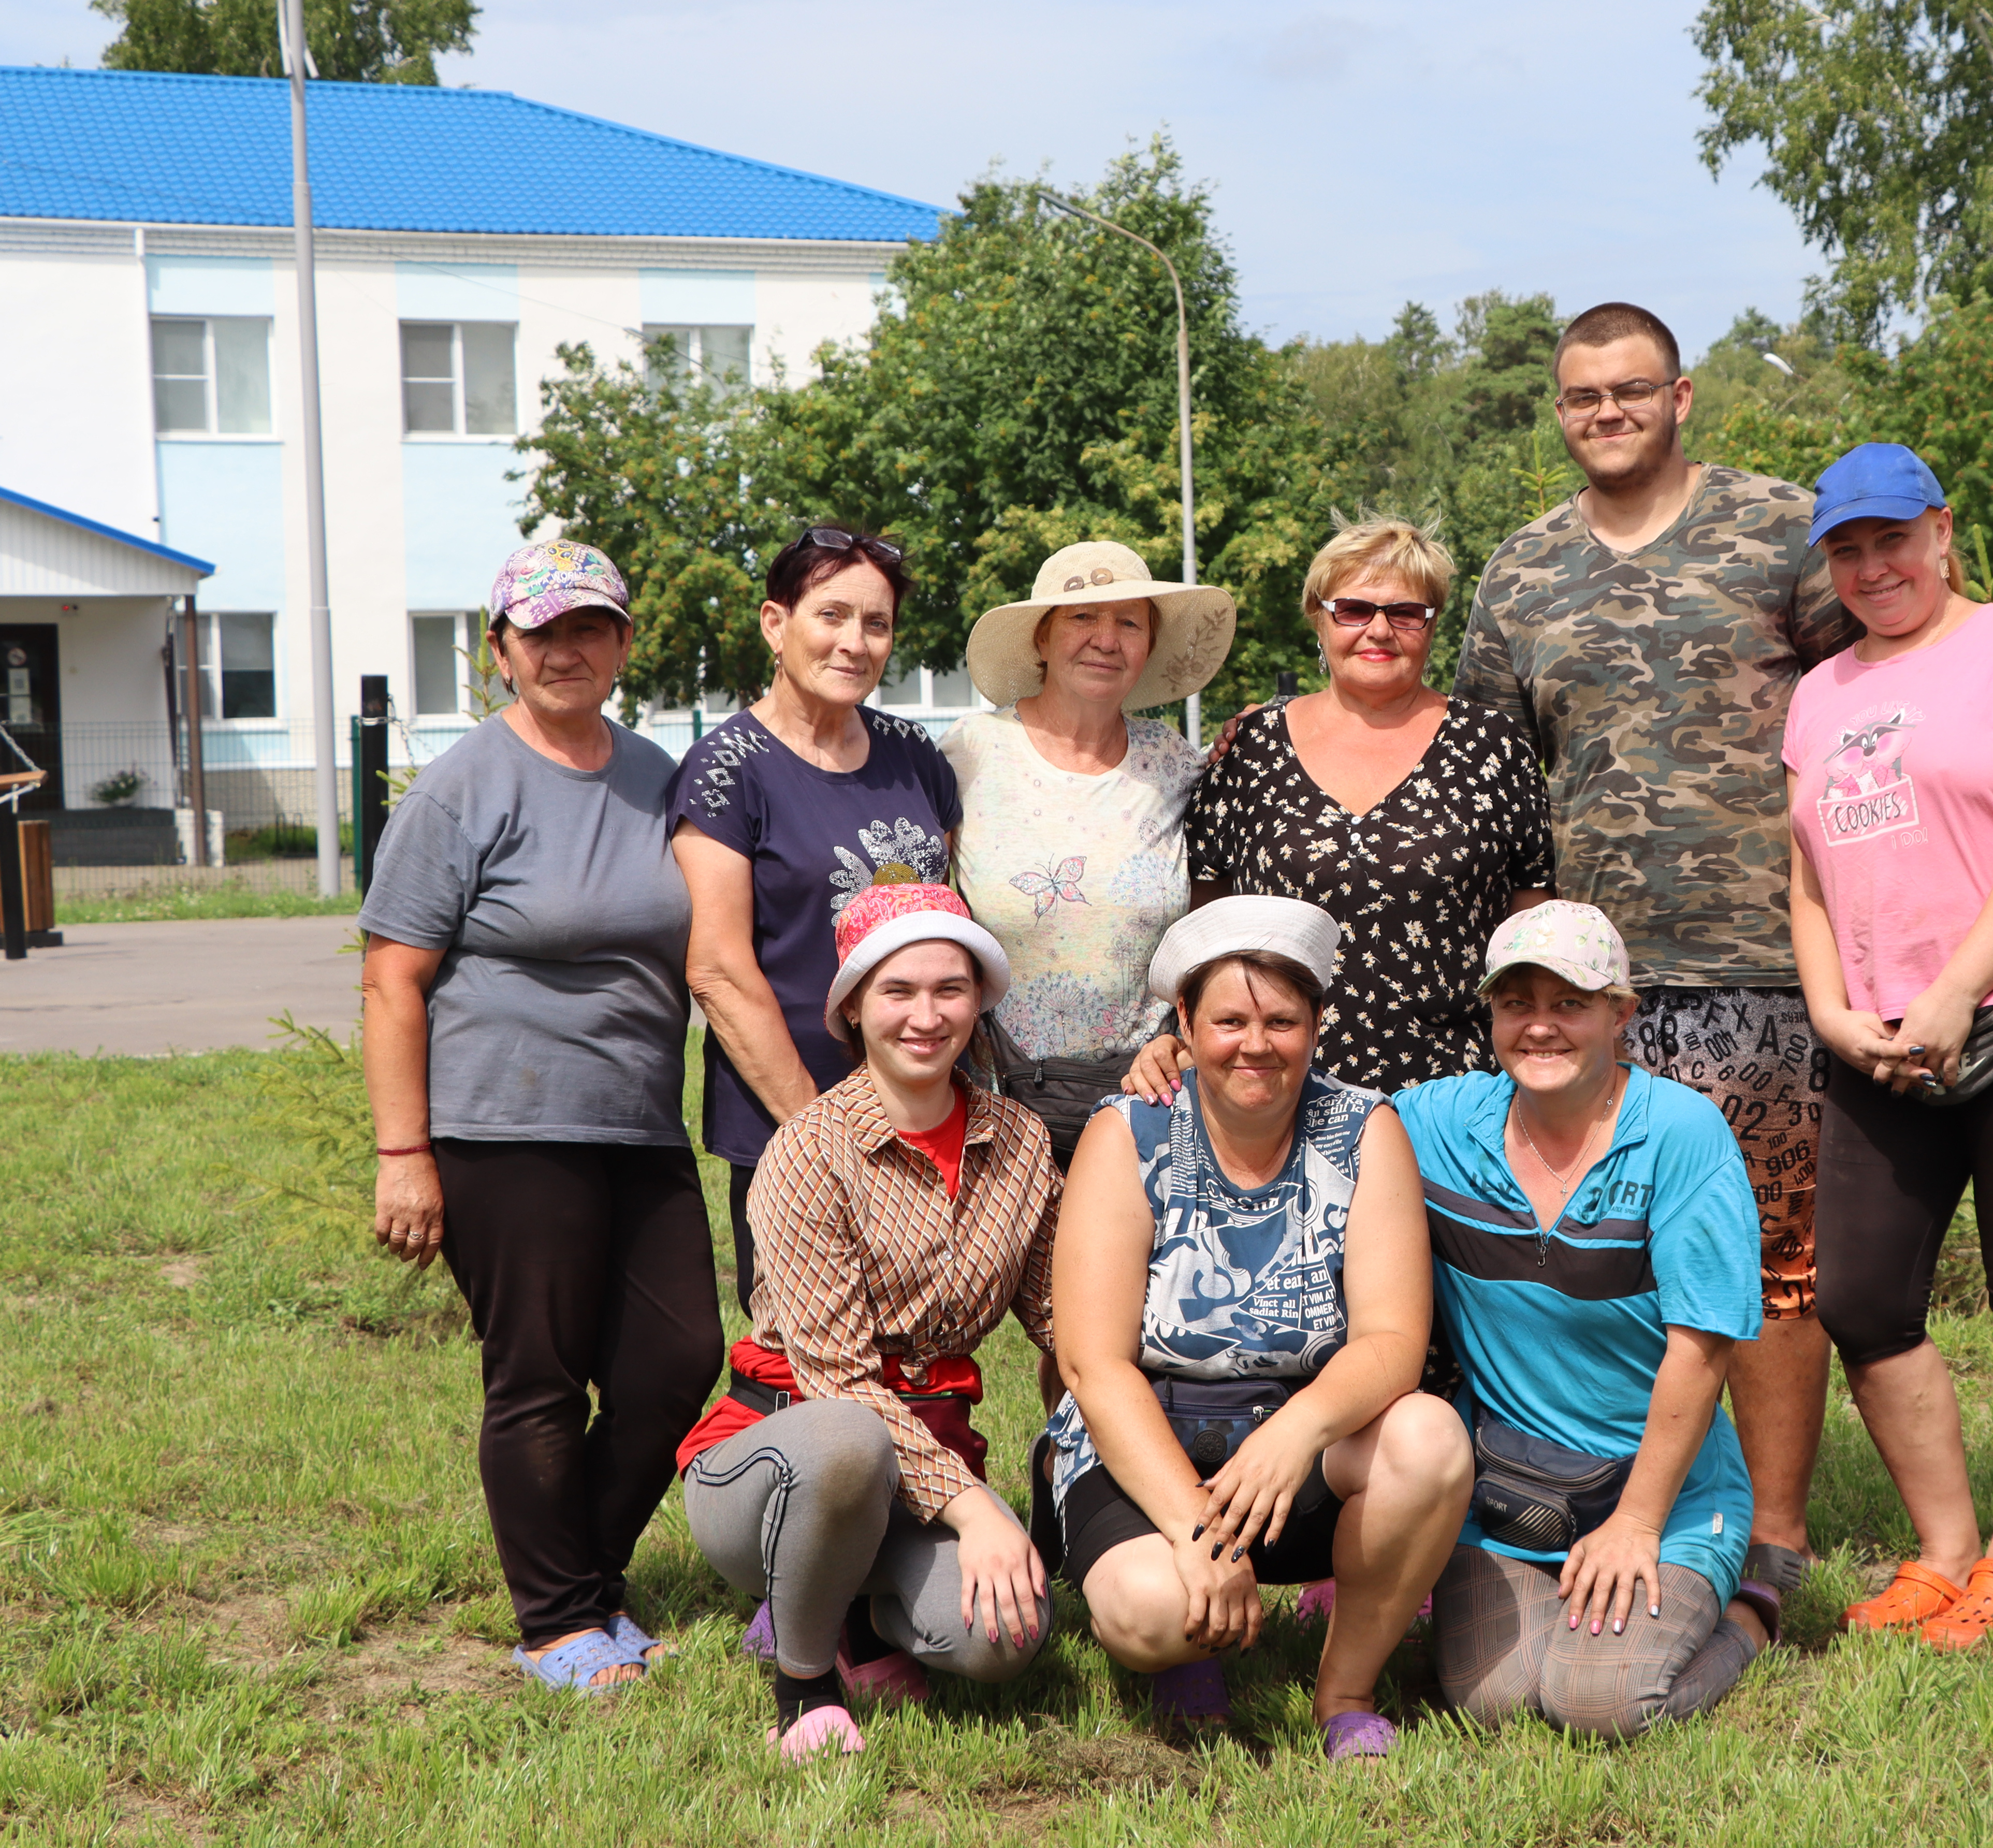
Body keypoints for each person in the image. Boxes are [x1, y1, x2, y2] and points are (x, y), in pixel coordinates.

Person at [1453, 301, 1993, 1601]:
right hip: (1591, 984)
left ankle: (1777, 1537)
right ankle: (1612, 1495)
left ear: (1681, 396)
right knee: (1599, 1256)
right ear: (1560, 412)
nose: (1607, 413)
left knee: (1775, 1265)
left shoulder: (1770, 528)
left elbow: (1905, 644)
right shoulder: (1519, 572)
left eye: (1631, 390)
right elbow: (1487, 763)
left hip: (1772, 966)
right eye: (1583, 397)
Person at [359, 540, 721, 1693]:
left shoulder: (659, 775)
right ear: (502, 650)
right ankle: (558, 1622)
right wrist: (403, 1152)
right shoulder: (465, 784)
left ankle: (586, 1577)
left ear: (622, 643)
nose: (566, 651)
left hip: (640, 1123)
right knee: (541, 1376)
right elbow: (392, 979)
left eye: (591, 629)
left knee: (676, 1362)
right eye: (541, 632)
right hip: (503, 1129)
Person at [1784, 443, 1993, 1649]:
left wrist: (1958, 991)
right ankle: (1941, 1551)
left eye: (1892, 539)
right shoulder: (1817, 692)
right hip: (1876, 1039)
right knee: (1862, 1297)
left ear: (1940, 532)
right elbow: (1810, 881)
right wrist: (1833, 1010)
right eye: (1848, 549)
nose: (1872, 566)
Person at [1044, 897, 1473, 1759]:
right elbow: (1093, 1364)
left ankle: (1344, 1691)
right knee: (1153, 1611)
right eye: (1230, 1020)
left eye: (1282, 1020)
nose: (1256, 1044)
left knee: (1429, 1440)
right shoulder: (1126, 1133)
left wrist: (1299, 1429)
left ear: (1317, 1023)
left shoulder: (1364, 1129)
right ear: (1184, 1025)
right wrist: (1200, 1535)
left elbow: (1393, 1338)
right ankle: (1187, 1648)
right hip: (1144, 1439)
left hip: (1299, 1440)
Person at [675, 883, 1063, 1760]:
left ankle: (862, 1611)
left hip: (923, 1461)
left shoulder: (1021, 1140)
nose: (927, 1015)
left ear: (980, 1000)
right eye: (898, 991)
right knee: (850, 1440)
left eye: (950, 989)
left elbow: (1057, 1317)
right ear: (852, 1007)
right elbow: (836, 1381)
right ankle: (804, 1681)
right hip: (783, 1459)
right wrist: (981, 1511)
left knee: (1004, 1639)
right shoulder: (808, 1151)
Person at [1393, 901, 1778, 1738]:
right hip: (1506, 1490)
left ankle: (1754, 1608)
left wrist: (1638, 1523)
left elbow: (1702, 1350)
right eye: (1516, 1003)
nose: (1540, 1027)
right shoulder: (1436, 1125)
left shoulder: (1682, 1135)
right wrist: (1172, 1061)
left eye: (1569, 1003)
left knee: (1602, 1703)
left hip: (1661, 1494)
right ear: (1489, 1013)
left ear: (1621, 1015)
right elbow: (1299, 1104)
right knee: (1490, 1703)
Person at [1127, 517, 1552, 1100]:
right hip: (1277, 1099)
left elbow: (1532, 935)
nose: (1379, 630)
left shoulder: (1495, 747)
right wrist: (1177, 1039)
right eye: (1353, 610)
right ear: (1318, 620)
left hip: (1457, 1100)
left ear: (1433, 624)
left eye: (1406, 612)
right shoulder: (1253, 750)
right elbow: (1203, 936)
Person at [671, 526, 961, 1313]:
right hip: (789, 1126)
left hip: (919, 1118)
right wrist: (827, 1137)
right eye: (831, 615)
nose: (854, 642)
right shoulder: (727, 768)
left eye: (877, 623)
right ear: (776, 623)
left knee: (919, 1355)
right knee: (803, 1365)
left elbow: (950, 921)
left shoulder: (915, 755)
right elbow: (719, 971)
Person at [943, 542, 1231, 1066]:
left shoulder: (1174, 762)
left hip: (1146, 1097)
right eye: (1082, 617)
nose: (1106, 640)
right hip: (1001, 1097)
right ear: (1043, 638)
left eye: (1129, 623)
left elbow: (1209, 927)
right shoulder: (969, 753)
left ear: (1149, 646)